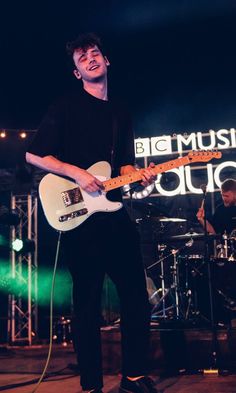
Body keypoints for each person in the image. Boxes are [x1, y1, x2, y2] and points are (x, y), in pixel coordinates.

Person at [26, 33, 159, 393]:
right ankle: (91, 385)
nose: (90, 59)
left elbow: (126, 165)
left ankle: (133, 376)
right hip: (80, 219)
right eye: (82, 58)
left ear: (106, 61)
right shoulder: (65, 106)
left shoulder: (120, 112)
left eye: (95, 53)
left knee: (135, 295)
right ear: (76, 72)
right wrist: (79, 174)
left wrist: (139, 176)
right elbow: (35, 155)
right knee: (87, 303)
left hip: (114, 215)